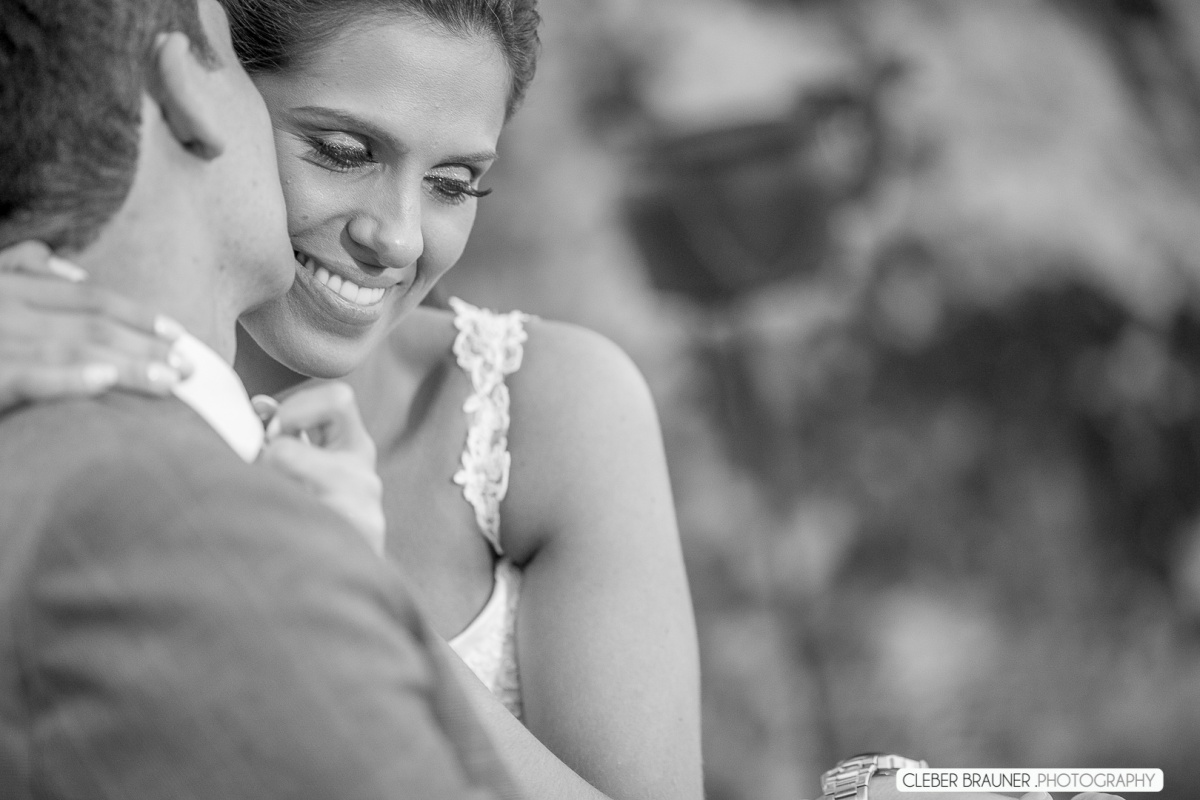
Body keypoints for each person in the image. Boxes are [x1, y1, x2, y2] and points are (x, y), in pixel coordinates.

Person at [0, 0, 520, 797]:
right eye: (342, 150)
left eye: (455, 184)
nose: (401, 238)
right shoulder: (174, 520)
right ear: (189, 90)